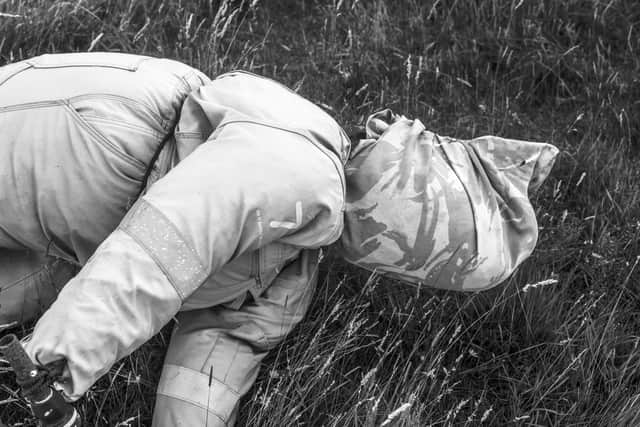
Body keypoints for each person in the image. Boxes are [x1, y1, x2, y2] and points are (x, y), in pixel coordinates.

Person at [0, 52, 558, 426]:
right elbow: (166, 243)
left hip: (73, 215)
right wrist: (53, 372)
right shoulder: (302, 164)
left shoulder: (297, 260)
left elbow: (217, 354)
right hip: (68, 141)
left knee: (49, 280)